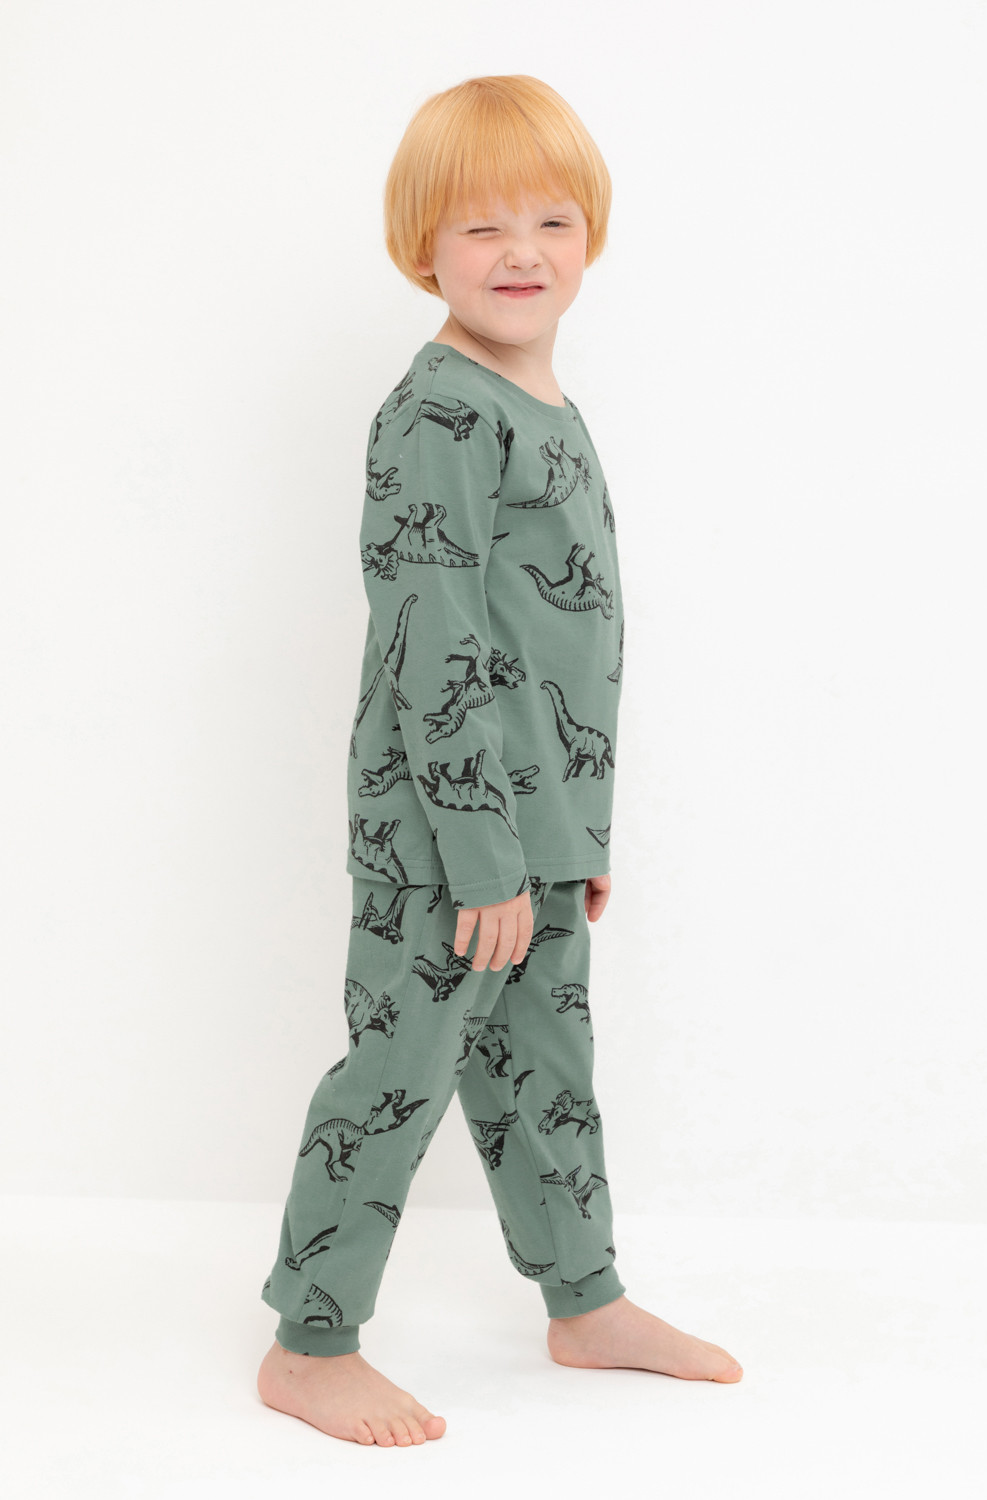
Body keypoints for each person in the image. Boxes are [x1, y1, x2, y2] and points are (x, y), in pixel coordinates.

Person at [256, 72, 743, 1448]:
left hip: (537, 830)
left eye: (550, 221)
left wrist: (576, 838)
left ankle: (584, 1301)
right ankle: (309, 1342)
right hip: (445, 839)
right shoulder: (439, 418)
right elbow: (436, 642)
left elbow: (564, 650)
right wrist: (481, 856)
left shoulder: (547, 406)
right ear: (422, 249)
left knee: (546, 1058)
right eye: (481, 228)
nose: (520, 251)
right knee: (400, 1069)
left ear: (591, 237)